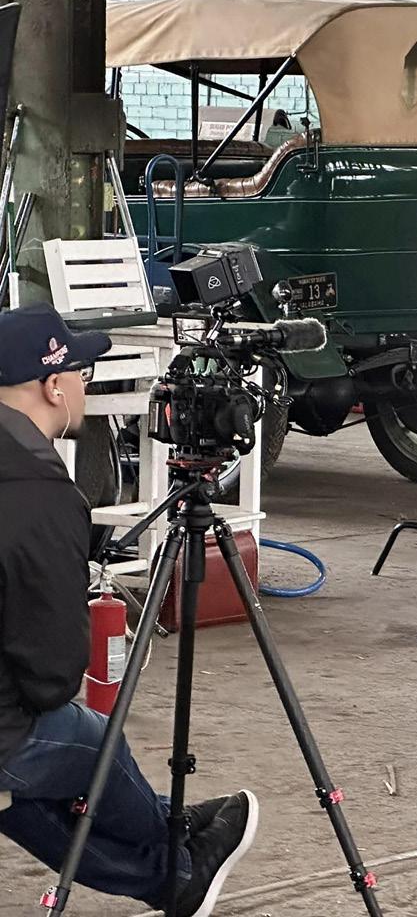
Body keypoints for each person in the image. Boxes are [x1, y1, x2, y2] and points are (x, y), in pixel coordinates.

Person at [0, 307, 258, 915]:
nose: (84, 388)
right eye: (83, 373)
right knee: (93, 741)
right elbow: (54, 675)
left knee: (34, 782)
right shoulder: (40, 496)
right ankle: (176, 854)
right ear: (53, 385)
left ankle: (173, 845)